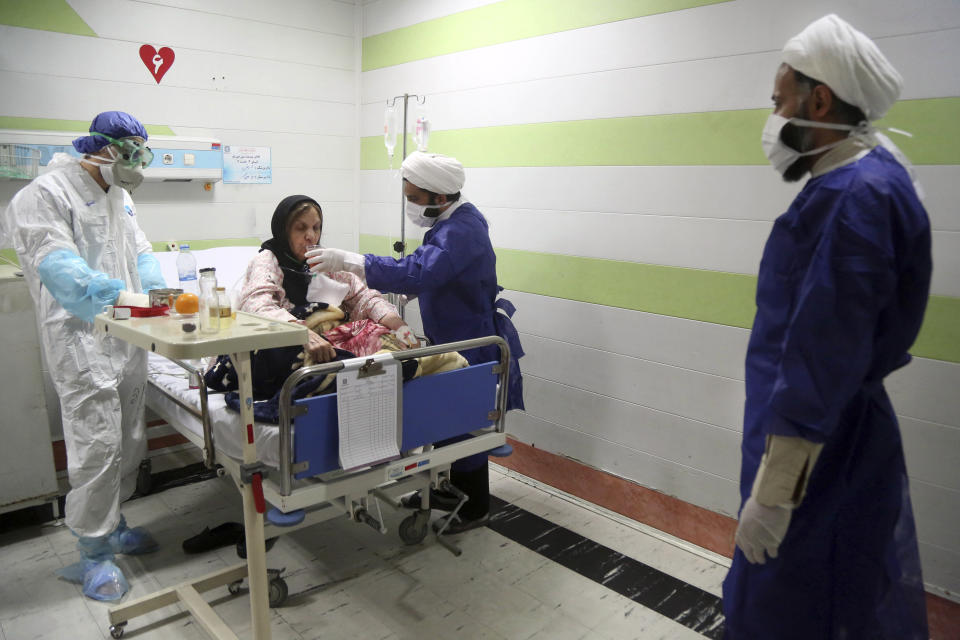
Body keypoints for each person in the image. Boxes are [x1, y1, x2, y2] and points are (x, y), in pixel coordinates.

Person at [722, 15, 931, 639]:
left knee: (796, 603)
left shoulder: (854, 199)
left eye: (780, 101)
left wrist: (774, 493)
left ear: (819, 100)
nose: (774, 118)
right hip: (820, 436)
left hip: (820, 453)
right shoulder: (865, 180)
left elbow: (821, 358)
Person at [307, 152, 524, 534]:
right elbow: (433, 269)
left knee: (464, 422)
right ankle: (446, 488)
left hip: (470, 340)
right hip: (451, 334)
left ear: (438, 197)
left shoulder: (461, 230)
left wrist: (352, 261)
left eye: (413, 198)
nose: (409, 204)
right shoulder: (451, 221)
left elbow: (420, 269)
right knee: (448, 417)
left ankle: (475, 509)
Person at [2, 111, 166, 601]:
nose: (138, 163)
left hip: (127, 334)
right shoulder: (43, 195)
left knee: (127, 435)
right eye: (132, 152)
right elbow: (61, 271)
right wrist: (121, 296)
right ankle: (92, 552)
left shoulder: (121, 195)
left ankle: (113, 525)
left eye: (143, 153)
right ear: (102, 148)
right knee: (95, 443)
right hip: (80, 338)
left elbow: (139, 250)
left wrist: (156, 288)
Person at [237, 194, 414, 361]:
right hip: (290, 343)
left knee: (387, 341)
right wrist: (301, 333)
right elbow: (257, 307)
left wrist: (400, 326)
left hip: (330, 340)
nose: (311, 236)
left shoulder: (322, 261)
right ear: (283, 231)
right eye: (301, 228)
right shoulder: (267, 261)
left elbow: (364, 298)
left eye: (316, 228)